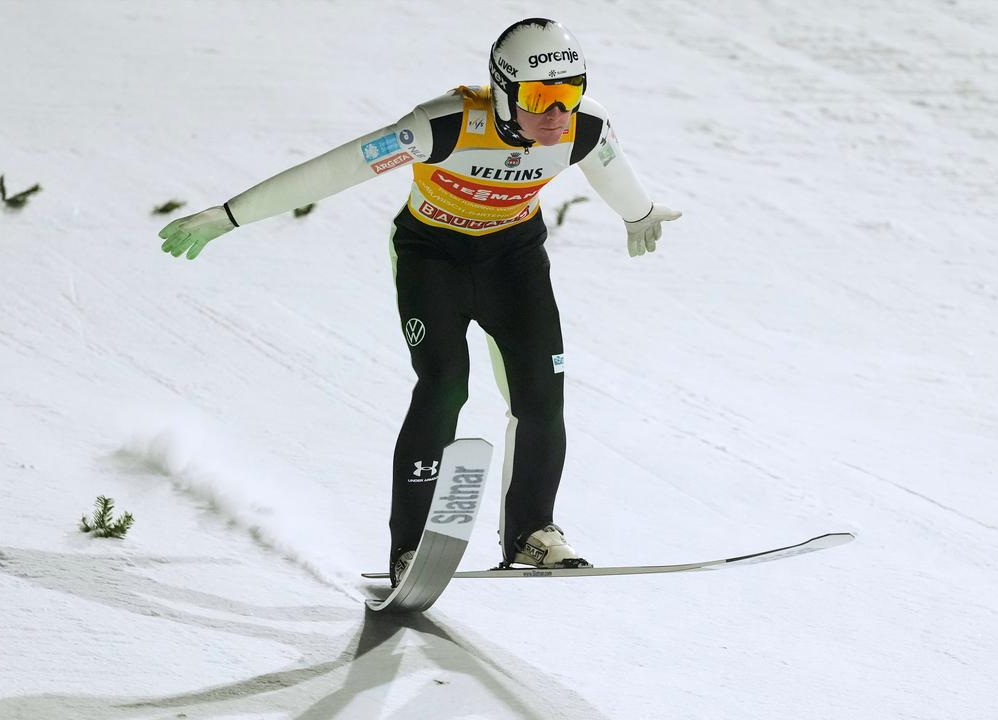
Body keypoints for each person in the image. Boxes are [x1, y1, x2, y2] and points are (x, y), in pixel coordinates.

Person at [159, 18, 681, 587]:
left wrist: (640, 213)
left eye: (569, 93)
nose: (557, 114)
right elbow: (336, 169)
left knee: (541, 394)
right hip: (432, 258)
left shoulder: (584, 126)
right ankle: (410, 546)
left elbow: (610, 166)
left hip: (513, 261)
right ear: (503, 91)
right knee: (444, 384)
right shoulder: (442, 126)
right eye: (538, 98)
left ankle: (532, 532)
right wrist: (231, 215)